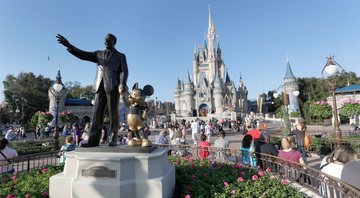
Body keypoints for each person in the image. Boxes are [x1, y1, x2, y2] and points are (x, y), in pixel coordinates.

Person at [57, 33, 129, 147]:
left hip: (113, 87)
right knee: (96, 113)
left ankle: (113, 138)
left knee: (113, 113)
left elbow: (124, 70)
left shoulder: (120, 56)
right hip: (99, 86)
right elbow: (83, 55)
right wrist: (69, 45)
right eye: (105, 40)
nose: (106, 41)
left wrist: (122, 83)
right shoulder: (98, 54)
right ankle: (93, 141)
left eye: (109, 40)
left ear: (114, 42)